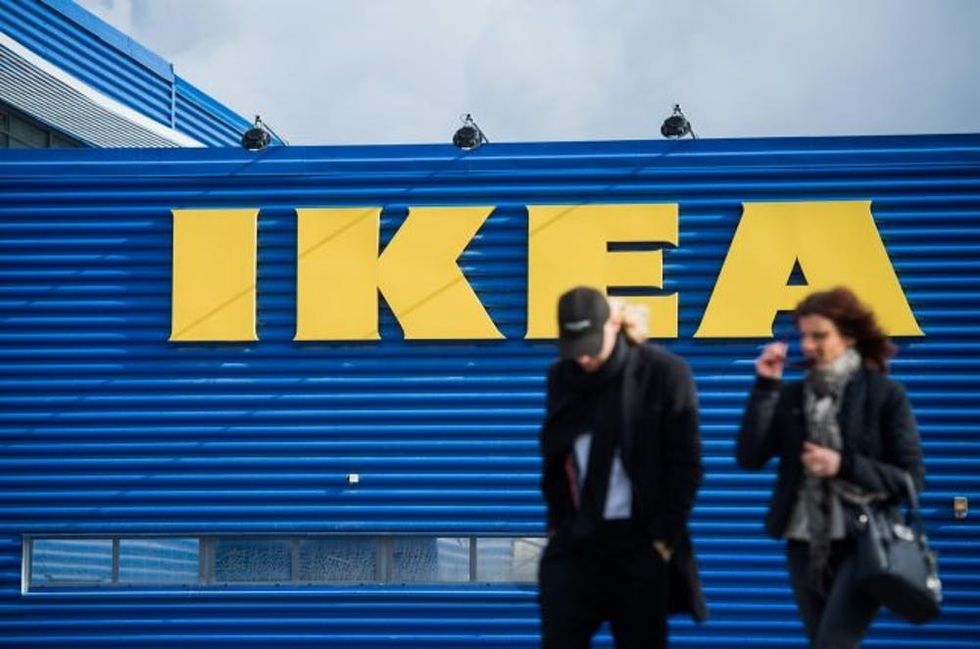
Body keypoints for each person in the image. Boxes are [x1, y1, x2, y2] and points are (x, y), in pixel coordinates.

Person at [736, 286, 925, 648]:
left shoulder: (884, 394)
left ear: (850, 336)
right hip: (803, 543)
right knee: (821, 640)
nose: (808, 346)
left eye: (819, 336)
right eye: (804, 336)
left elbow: (911, 478)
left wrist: (842, 464)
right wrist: (765, 386)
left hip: (862, 542)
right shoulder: (793, 396)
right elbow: (750, 456)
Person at [537, 286, 706, 649]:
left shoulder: (663, 373)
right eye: (574, 347)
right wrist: (557, 528)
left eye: (590, 345)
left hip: (639, 545)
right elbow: (554, 457)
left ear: (613, 324)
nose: (582, 359)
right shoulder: (561, 377)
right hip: (577, 543)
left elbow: (686, 464)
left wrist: (662, 540)